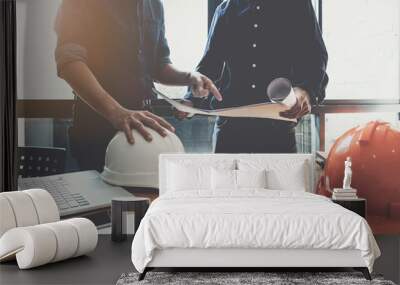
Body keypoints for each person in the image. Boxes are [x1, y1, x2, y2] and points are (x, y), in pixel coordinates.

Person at [54, 0, 222, 171]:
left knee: (147, 195)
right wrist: (116, 113)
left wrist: (189, 77)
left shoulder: (154, 4)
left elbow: (158, 65)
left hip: (145, 128)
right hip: (96, 129)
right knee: (98, 194)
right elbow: (69, 62)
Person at [178, 0, 328, 153]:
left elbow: (315, 56)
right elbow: (210, 64)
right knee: (225, 177)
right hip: (229, 130)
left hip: (278, 128)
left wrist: (306, 91)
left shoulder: (297, 5)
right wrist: (190, 99)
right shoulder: (225, 9)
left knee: (280, 177)